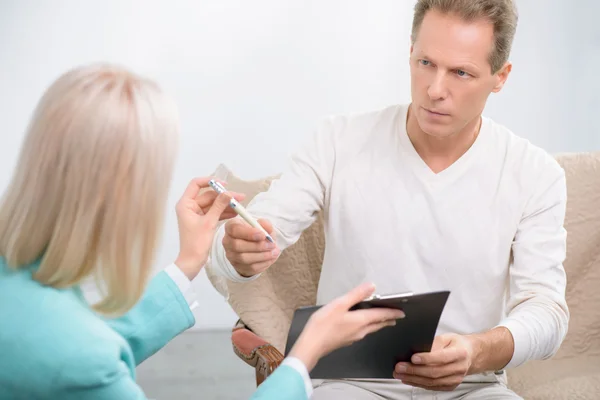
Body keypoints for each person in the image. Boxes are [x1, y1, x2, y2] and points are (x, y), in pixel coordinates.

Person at [209, 0, 569, 398]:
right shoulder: (337, 141)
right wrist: (235, 252)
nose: (435, 90)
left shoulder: (535, 174)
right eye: (425, 63)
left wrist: (477, 351)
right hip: (348, 383)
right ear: (410, 52)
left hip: (472, 385)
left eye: (461, 73)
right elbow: (248, 238)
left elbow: (548, 312)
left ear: (500, 77)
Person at [0, 64, 404, 400]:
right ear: (125, 195)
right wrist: (305, 352)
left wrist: (187, 263)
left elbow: (87, 342)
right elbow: (87, 357)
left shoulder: (24, 296)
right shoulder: (85, 364)